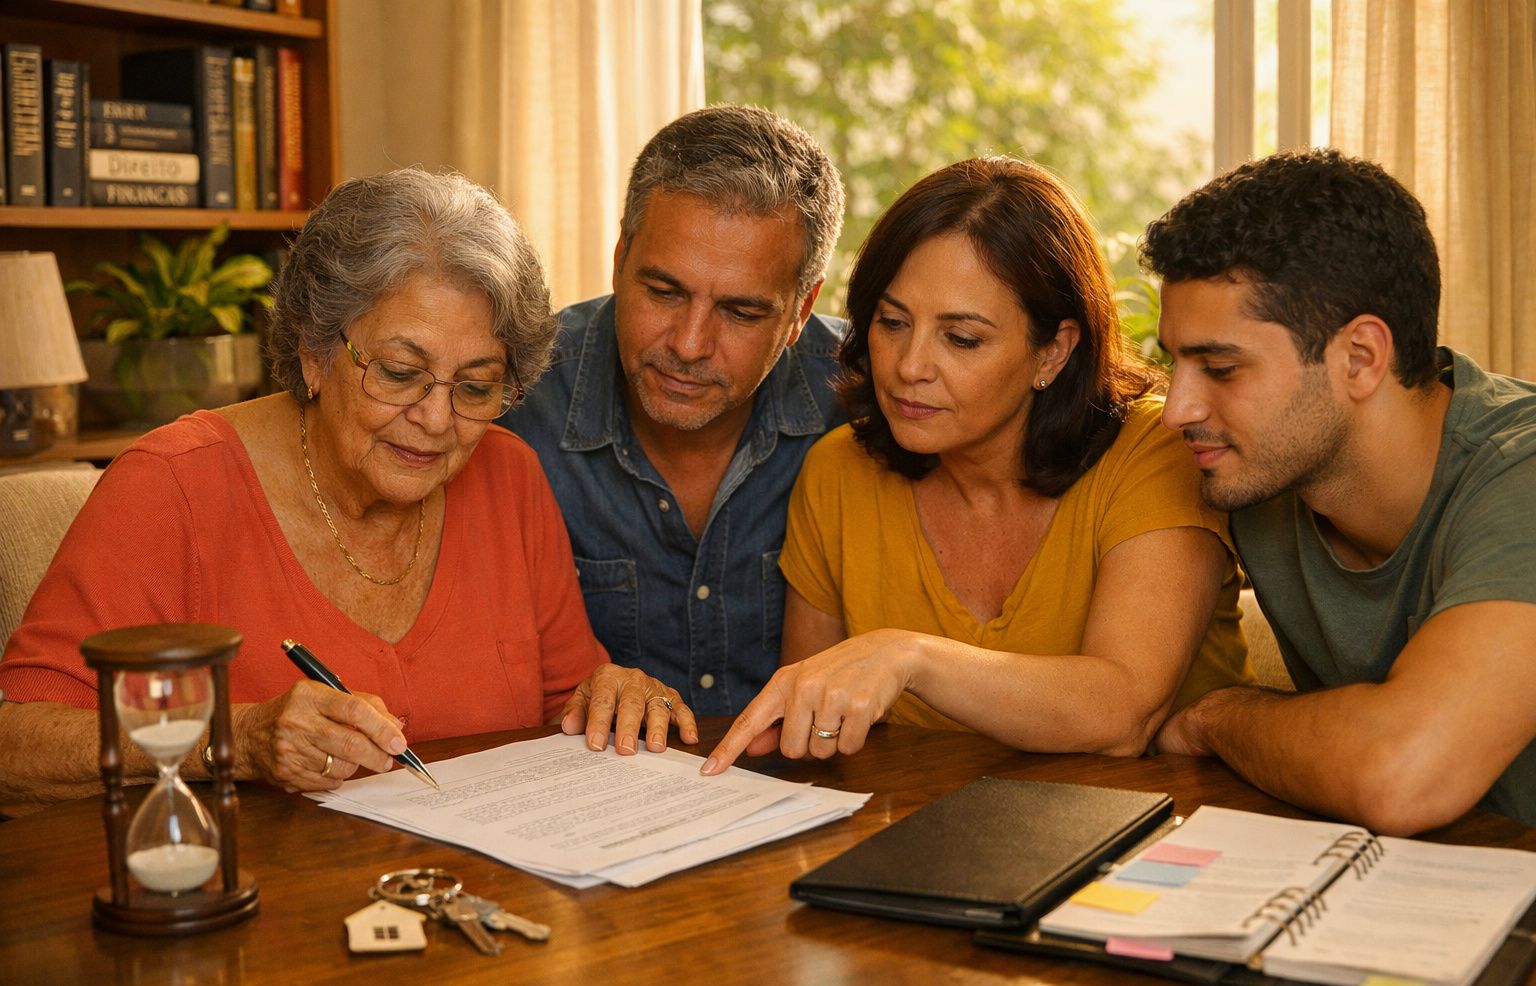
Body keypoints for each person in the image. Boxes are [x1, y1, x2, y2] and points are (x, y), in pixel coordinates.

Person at [0, 168, 693, 817]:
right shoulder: (172, 485)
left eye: (476, 387)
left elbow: (566, 702)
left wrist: (613, 693)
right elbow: (17, 742)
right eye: (398, 372)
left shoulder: (508, 476)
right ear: (312, 348)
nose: (435, 419)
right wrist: (234, 740)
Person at [703, 157, 1253, 775]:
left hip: (1161, 844)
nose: (910, 366)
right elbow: (816, 731)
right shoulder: (839, 472)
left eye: (961, 339)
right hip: (920, 842)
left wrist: (908, 657)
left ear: (1054, 350)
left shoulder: (1155, 450)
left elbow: (1122, 711)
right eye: (892, 323)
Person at [1146, 149, 1536, 835]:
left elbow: (1403, 774)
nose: (1177, 408)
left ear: (1359, 358)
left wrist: (1218, 716)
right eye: (1172, 362)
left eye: (1219, 368)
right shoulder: (1258, 472)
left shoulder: (1520, 472)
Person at [501, 105, 847, 729]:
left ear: (802, 310)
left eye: (741, 313)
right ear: (618, 259)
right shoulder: (515, 397)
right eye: (663, 292)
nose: (688, 345)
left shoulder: (867, 404)